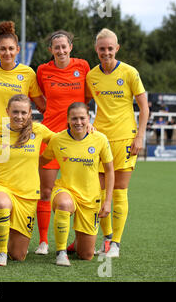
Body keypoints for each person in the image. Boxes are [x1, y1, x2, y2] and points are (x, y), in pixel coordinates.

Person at [0, 21, 46, 253]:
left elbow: (41, 104)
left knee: (11, 187)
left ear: (18, 50)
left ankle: (10, 237)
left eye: (11, 49)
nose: (7, 52)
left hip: (17, 140)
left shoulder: (27, 73)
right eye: (2, 49)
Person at [86, 28, 149, 258]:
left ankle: (116, 245)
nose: (106, 52)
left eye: (110, 48)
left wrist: (139, 136)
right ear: (96, 49)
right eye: (102, 49)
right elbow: (83, 104)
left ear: (117, 48)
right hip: (100, 141)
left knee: (120, 190)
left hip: (125, 139)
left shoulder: (130, 72)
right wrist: (88, 124)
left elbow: (144, 108)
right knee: (100, 192)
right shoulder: (91, 76)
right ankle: (106, 239)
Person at [35, 30, 91, 255]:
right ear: (51, 50)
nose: (60, 50)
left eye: (64, 46)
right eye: (56, 47)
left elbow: (86, 99)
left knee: (78, 192)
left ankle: (75, 242)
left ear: (71, 47)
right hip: (50, 138)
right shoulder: (43, 70)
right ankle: (43, 242)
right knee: (45, 191)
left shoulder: (83, 67)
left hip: (77, 139)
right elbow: (40, 98)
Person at [40, 102, 114, 266]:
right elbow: (42, 160)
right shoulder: (58, 140)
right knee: (64, 204)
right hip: (66, 190)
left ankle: (77, 243)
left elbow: (109, 171)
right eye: (74, 118)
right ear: (67, 119)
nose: (78, 122)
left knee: (86, 255)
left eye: (82, 118)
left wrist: (107, 201)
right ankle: (61, 253)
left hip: (90, 197)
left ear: (89, 119)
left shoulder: (100, 139)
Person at [0, 94, 53, 266]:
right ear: (7, 111)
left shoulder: (38, 130)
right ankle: (0, 253)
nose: (19, 116)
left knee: (18, 255)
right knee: (2, 204)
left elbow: (63, 139)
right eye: (15, 112)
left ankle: (7, 239)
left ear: (30, 112)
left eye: (24, 112)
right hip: (2, 187)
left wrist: (88, 127)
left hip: (28, 195)